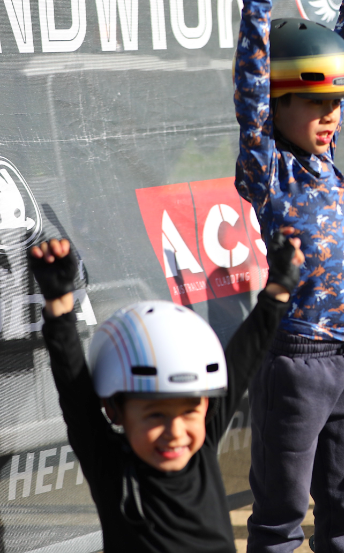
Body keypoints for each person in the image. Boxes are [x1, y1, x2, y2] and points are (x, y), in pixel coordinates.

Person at [28, 232, 302, 553]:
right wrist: (59, 306)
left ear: (206, 409)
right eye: (155, 414)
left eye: (189, 412)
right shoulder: (109, 464)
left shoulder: (203, 442)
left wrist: (280, 287)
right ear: (114, 410)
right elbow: (75, 390)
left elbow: (243, 357)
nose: (175, 432)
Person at [233, 0, 344, 549]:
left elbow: (341, 53)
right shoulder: (270, 167)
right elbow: (250, 85)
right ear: (278, 103)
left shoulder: (325, 158)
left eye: (337, 104)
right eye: (315, 104)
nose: (329, 116)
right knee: (281, 510)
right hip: (295, 358)